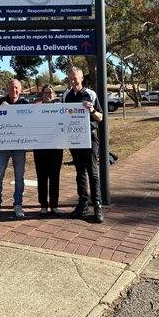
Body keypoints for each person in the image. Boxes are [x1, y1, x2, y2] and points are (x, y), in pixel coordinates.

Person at [63, 67, 104, 223]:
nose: (73, 81)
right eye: (70, 78)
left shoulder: (91, 94)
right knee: (80, 172)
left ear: (81, 78)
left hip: (90, 139)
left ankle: (97, 204)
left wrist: (92, 109)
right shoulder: (66, 95)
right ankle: (83, 202)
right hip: (74, 139)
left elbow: (100, 117)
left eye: (75, 78)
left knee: (93, 172)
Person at [0, 79, 28, 219]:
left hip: (19, 146)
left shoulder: (25, 103)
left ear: (20, 89)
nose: (13, 90)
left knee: (19, 177)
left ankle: (18, 205)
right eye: (11, 88)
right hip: (2, 145)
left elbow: (28, 122)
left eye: (16, 88)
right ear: (7, 89)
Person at [33, 84, 63, 216]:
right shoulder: (35, 109)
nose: (48, 95)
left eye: (50, 92)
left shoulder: (60, 108)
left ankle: (54, 205)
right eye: (45, 92)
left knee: (55, 177)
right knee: (42, 177)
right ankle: (43, 205)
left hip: (56, 148)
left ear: (54, 95)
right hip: (40, 148)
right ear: (42, 94)